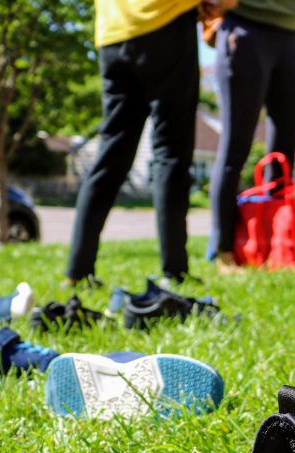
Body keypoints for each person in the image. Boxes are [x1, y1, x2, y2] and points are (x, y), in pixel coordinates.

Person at [64, 0, 201, 288]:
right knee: (171, 153)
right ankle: (174, 271)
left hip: (114, 31)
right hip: (165, 20)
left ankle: (78, 271)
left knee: (111, 153)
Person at [207, 0, 295, 274]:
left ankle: (276, 246)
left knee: (284, 154)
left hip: (293, 34)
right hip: (245, 27)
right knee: (235, 148)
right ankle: (223, 251)